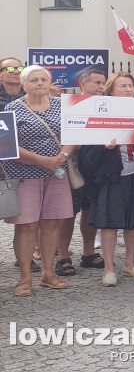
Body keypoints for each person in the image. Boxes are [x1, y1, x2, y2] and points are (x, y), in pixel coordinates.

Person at [2, 66, 76, 296]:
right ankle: (25, 278)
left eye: (43, 79)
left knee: (52, 223)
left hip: (56, 173)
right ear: (23, 84)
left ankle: (48, 274)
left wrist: (61, 156)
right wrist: (42, 160)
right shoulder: (12, 108)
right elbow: (7, 146)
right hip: (25, 175)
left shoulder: (61, 106)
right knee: (26, 226)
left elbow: (75, 134)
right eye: (33, 80)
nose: (39, 83)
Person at [77, 72, 134, 286]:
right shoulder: (101, 108)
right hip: (112, 172)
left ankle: (130, 264)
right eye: (123, 86)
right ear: (111, 90)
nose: (129, 89)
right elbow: (87, 141)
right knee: (109, 223)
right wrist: (105, 145)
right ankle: (109, 268)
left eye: (131, 85)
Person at [59, 68, 106, 277]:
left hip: (96, 167)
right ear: (83, 84)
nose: (101, 87)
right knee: (68, 213)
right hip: (74, 167)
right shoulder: (68, 106)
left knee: (90, 210)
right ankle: (63, 256)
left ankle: (89, 251)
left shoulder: (107, 106)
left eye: (103, 83)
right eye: (96, 83)